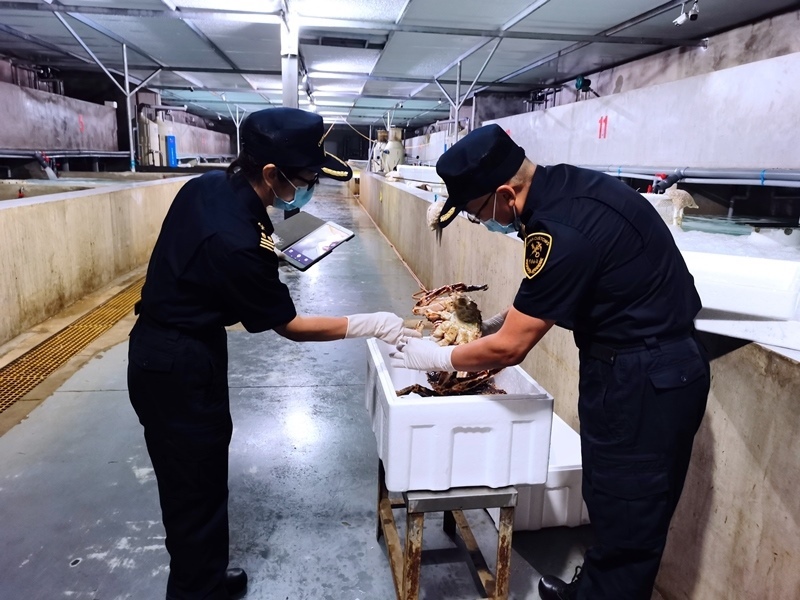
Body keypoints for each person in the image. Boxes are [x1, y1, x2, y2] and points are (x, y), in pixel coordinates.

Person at [390, 124, 710, 600]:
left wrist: (436, 356)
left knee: (629, 516)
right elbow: (556, 292)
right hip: (643, 363)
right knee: (613, 502)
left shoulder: (558, 231)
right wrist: (495, 322)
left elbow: (510, 349)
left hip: (643, 377)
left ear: (505, 194)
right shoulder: (567, 188)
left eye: (477, 214)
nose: (481, 222)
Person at [128, 107, 418, 600]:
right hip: (177, 365)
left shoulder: (207, 187)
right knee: (192, 491)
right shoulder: (238, 241)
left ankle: (206, 577)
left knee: (202, 479)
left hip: (175, 347)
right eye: (304, 180)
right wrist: (374, 323)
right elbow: (291, 327)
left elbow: (222, 255)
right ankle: (196, 591)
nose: (308, 189)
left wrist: (269, 254)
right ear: (270, 173)